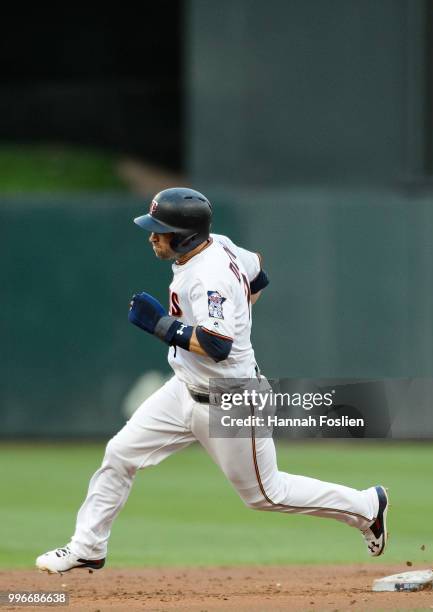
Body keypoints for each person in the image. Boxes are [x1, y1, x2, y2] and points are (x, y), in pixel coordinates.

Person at [36, 187, 388, 574]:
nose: (153, 235)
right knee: (120, 453)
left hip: (232, 398)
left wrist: (162, 326)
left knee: (265, 494)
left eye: (161, 229)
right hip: (182, 390)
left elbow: (217, 345)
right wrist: (239, 308)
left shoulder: (208, 276)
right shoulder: (218, 245)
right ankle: (87, 547)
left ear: (185, 235)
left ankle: (367, 507)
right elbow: (257, 271)